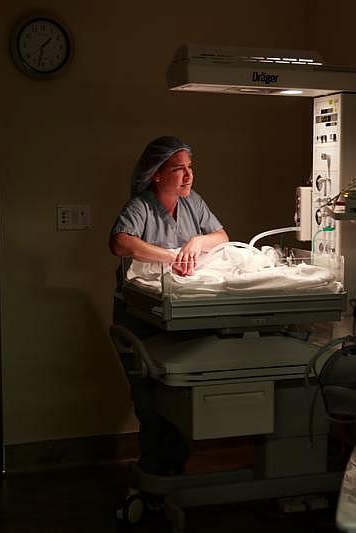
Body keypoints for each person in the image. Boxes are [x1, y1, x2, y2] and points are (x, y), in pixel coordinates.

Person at [109, 136, 229, 475]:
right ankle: (153, 475)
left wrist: (197, 242)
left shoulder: (193, 204)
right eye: (179, 169)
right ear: (157, 174)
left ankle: (171, 475)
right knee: (150, 403)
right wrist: (171, 256)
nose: (188, 176)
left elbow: (222, 237)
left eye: (190, 167)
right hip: (140, 316)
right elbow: (120, 243)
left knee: (177, 399)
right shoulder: (141, 207)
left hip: (178, 316)